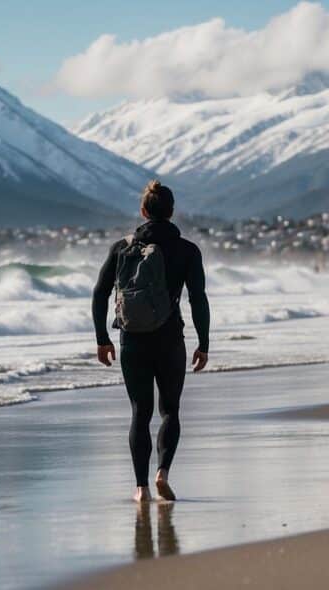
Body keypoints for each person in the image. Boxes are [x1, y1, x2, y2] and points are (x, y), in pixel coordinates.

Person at [92, 180, 210, 503]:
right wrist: (204, 342)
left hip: (132, 340)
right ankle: (163, 473)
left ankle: (141, 489)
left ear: (143, 211)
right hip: (169, 339)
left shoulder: (122, 248)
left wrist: (102, 339)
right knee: (170, 410)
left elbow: (100, 293)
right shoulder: (187, 250)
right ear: (172, 212)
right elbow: (198, 299)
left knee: (139, 412)